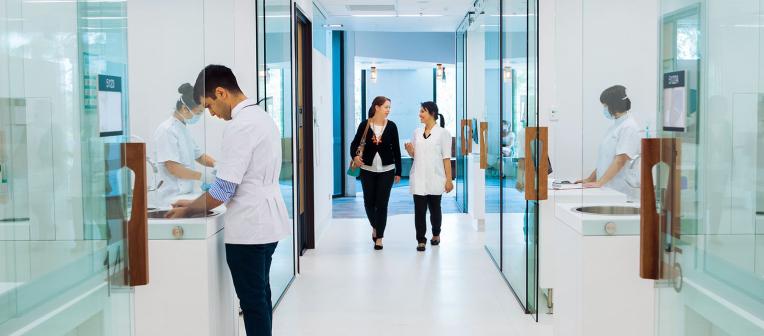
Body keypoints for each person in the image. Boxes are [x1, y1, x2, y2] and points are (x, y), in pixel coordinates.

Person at [165, 65, 291, 336]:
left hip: (250, 228)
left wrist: (188, 210)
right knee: (261, 296)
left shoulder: (240, 126)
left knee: (253, 302)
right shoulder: (261, 117)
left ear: (221, 93)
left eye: (209, 105)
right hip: (267, 222)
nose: (211, 113)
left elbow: (223, 190)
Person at [350, 96, 402, 250]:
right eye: (386, 107)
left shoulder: (392, 126)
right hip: (367, 169)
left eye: (389, 107)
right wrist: (355, 157)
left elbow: (397, 150)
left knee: (382, 204)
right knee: (369, 202)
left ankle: (379, 237)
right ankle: (376, 225)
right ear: (377, 107)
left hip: (387, 170)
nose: (388, 110)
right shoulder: (365, 125)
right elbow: (354, 144)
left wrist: (398, 171)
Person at [152, 83, 216, 204]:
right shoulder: (167, 130)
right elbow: (173, 168)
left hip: (185, 195)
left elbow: (199, 156)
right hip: (170, 197)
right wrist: (203, 177)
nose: (198, 117)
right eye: (198, 113)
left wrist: (217, 164)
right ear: (184, 109)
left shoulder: (183, 128)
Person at [576, 85, 641, 199]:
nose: (604, 109)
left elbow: (620, 160)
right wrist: (589, 179)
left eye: (605, 106)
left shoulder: (628, 127)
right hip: (607, 189)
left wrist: (600, 183)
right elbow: (604, 162)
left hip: (620, 190)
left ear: (613, 105)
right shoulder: (615, 127)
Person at [405, 101, 453, 252]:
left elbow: (446, 158)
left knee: (435, 209)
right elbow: (414, 155)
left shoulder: (443, 133)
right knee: (419, 211)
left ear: (432, 113)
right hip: (418, 176)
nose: (420, 114)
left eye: (422, 111)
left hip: (436, 177)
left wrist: (449, 180)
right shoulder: (417, 132)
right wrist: (409, 150)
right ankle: (421, 240)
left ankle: (436, 234)